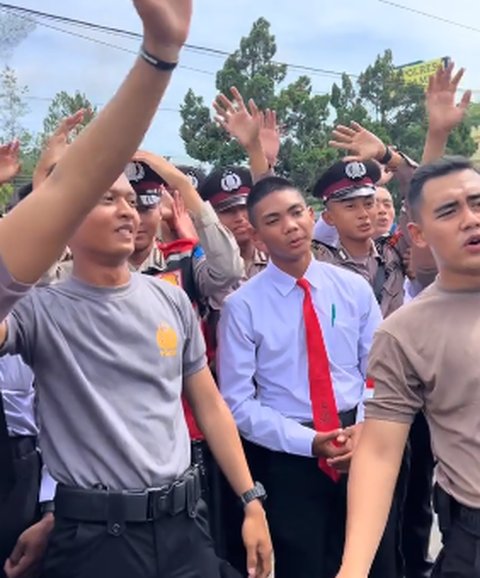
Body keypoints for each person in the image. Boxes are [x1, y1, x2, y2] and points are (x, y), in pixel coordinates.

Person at [0, 3, 272, 578]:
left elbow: (209, 404)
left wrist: (251, 501)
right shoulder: (37, 313)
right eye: (105, 198)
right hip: (96, 543)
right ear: (67, 216)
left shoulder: (170, 296)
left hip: (185, 526)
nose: (128, 209)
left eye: (133, 198)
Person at [217, 175, 384, 578]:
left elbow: (379, 373)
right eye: (274, 220)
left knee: (370, 561)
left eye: (296, 213)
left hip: (361, 441)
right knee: (302, 563)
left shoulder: (354, 289)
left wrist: (363, 427)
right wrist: (309, 442)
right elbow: (236, 402)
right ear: (257, 238)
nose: (290, 226)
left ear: (311, 216)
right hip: (289, 452)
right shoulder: (242, 307)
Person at [336, 155, 480, 578]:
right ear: (417, 233)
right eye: (449, 211)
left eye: (478, 202)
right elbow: (380, 452)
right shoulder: (404, 333)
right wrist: (354, 568)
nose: (471, 219)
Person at [312, 160, 406, 318]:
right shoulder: (321, 264)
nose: (363, 214)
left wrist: (388, 156)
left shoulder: (395, 252)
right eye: (350, 206)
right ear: (329, 218)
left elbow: (424, 193)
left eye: (369, 204)